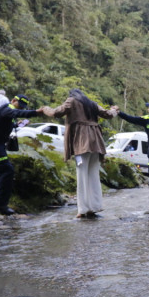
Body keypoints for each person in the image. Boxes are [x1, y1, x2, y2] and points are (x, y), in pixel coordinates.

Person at [43, 89, 117, 218]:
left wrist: (45, 109)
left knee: (82, 174)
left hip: (81, 141)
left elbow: (57, 113)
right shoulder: (92, 103)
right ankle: (95, 206)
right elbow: (107, 114)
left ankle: (82, 209)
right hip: (96, 141)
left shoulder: (72, 101)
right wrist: (115, 110)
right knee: (93, 174)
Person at [0, 94, 43, 215]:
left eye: (22, 107)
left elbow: (10, 122)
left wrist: (19, 124)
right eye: (19, 105)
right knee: (6, 171)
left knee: (5, 171)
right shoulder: (6, 108)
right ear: (13, 100)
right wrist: (36, 112)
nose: (20, 108)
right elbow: (15, 113)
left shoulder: (9, 112)